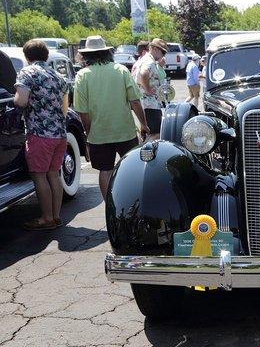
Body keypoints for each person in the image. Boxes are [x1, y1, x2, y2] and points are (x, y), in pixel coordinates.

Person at [73, 35, 149, 201]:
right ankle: (130, 203)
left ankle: (110, 207)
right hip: (125, 132)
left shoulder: (82, 76)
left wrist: (88, 131)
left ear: (85, 56)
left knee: (105, 171)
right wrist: (143, 124)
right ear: (107, 52)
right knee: (129, 169)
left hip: (98, 134)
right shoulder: (120, 70)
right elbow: (135, 101)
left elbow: (83, 112)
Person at [14, 40, 69, 230]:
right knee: (54, 175)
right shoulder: (58, 76)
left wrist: (15, 96)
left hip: (39, 133)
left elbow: (21, 102)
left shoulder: (27, 73)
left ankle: (45, 218)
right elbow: (64, 108)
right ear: (46, 56)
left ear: (27, 56)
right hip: (59, 134)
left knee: (39, 177)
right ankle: (55, 216)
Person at [134, 38, 167, 141]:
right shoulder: (150, 61)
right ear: (155, 49)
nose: (163, 55)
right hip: (150, 104)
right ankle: (145, 151)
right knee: (156, 133)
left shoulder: (141, 60)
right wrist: (148, 89)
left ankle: (141, 151)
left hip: (142, 103)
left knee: (145, 133)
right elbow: (144, 73)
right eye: (163, 52)